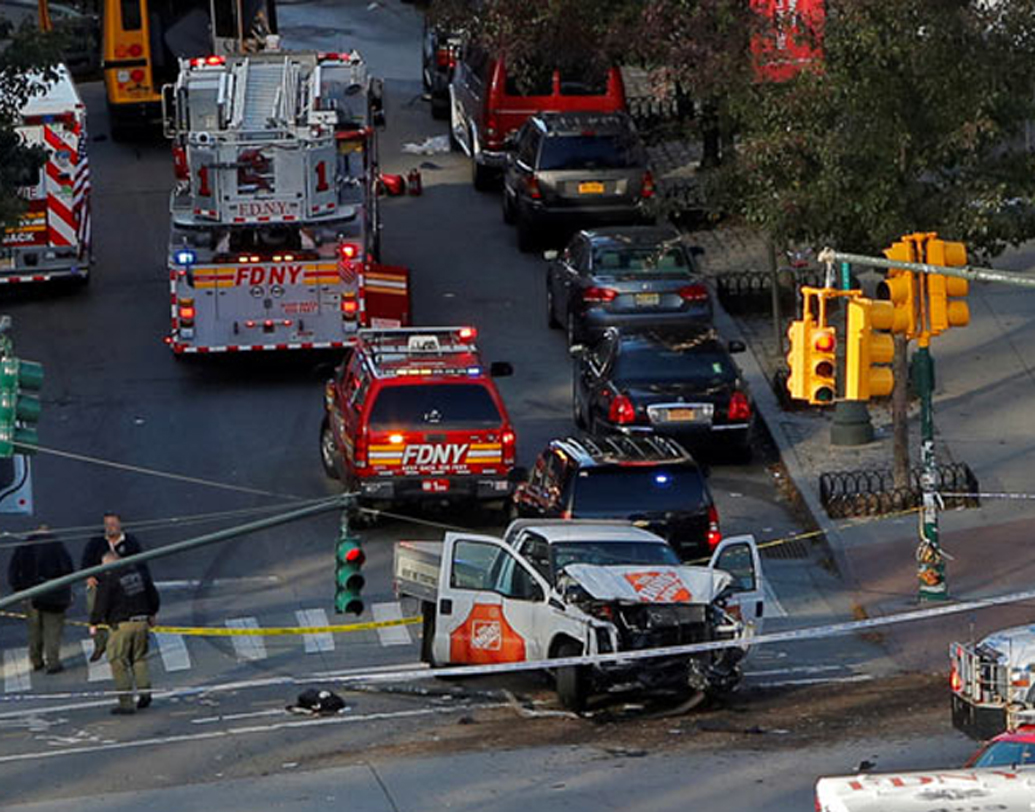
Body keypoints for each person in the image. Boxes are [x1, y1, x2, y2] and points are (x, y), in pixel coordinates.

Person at [89, 551, 160, 715]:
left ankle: (126, 703)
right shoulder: (139, 574)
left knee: (117, 661)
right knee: (139, 658)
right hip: (142, 621)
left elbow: (102, 602)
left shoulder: (109, 579)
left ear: (107, 564)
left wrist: (94, 622)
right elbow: (152, 595)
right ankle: (145, 693)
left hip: (122, 625)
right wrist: (152, 614)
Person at [7, 526, 74, 674]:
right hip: (54, 594)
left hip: (30, 594)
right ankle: (53, 663)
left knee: (34, 630)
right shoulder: (57, 545)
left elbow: (13, 570)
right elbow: (68, 569)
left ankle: (36, 660)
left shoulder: (23, 547)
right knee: (52, 630)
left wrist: (18, 590)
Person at [81, 513, 144, 662]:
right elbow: (86, 561)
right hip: (99, 584)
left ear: (121, 525)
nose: (110, 527)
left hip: (123, 587)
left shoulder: (130, 542)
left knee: (123, 617)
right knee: (96, 612)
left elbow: (141, 564)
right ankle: (100, 645)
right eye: (107, 524)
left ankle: (126, 648)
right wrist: (89, 577)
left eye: (113, 523)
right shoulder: (96, 542)